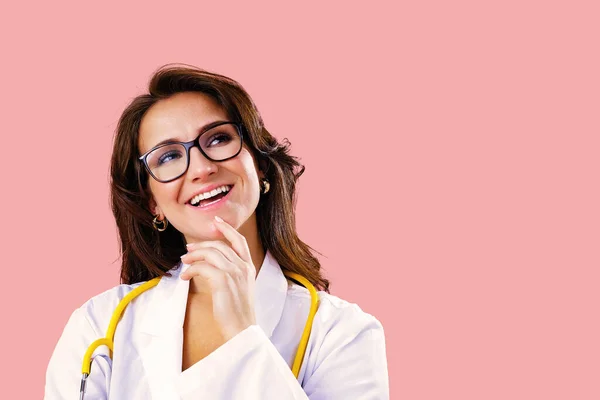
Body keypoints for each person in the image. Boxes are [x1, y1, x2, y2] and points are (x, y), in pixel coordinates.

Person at [44, 65, 390, 399]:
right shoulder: (99, 326)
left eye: (219, 138)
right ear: (153, 203)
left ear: (261, 166)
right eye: (167, 157)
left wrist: (244, 337)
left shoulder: (343, 333)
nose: (202, 168)